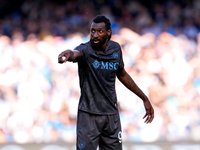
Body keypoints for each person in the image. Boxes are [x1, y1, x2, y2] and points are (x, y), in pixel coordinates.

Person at [58, 15, 154, 150]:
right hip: (89, 114)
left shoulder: (115, 49)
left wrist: (144, 98)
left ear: (109, 32)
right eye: (92, 31)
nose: (95, 35)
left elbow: (122, 74)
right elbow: (75, 53)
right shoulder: (85, 50)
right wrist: (68, 54)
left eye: (99, 31)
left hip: (111, 114)